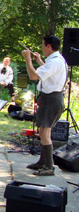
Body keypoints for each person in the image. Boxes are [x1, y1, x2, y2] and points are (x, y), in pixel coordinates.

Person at [22, 35, 68, 176]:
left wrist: (28, 59)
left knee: (45, 133)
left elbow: (34, 76)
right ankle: (42, 161)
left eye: (43, 45)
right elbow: (49, 73)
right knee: (42, 131)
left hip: (51, 100)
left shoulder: (55, 62)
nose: (42, 48)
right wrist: (40, 62)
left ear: (49, 46)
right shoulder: (56, 60)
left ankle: (49, 166)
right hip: (51, 99)